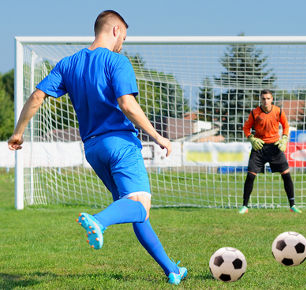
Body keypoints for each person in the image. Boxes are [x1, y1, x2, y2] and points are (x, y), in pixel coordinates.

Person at [7, 10, 187, 285]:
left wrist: (18, 132)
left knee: (134, 209)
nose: (122, 44)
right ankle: (100, 221)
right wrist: (158, 136)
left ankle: (172, 270)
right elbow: (127, 104)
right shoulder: (117, 61)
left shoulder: (68, 64)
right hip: (120, 145)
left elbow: (37, 95)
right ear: (115, 30)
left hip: (93, 149)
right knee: (139, 207)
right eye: (123, 37)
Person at [240, 89, 302, 214]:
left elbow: (286, 125)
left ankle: (292, 205)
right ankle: (245, 206)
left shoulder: (278, 111)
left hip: (275, 147)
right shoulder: (254, 113)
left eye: (268, 98)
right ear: (260, 99)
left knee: (286, 174)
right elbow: (246, 127)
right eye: (263, 98)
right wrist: (251, 138)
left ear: (272, 99)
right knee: (251, 175)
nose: (266, 101)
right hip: (259, 148)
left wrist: (284, 138)